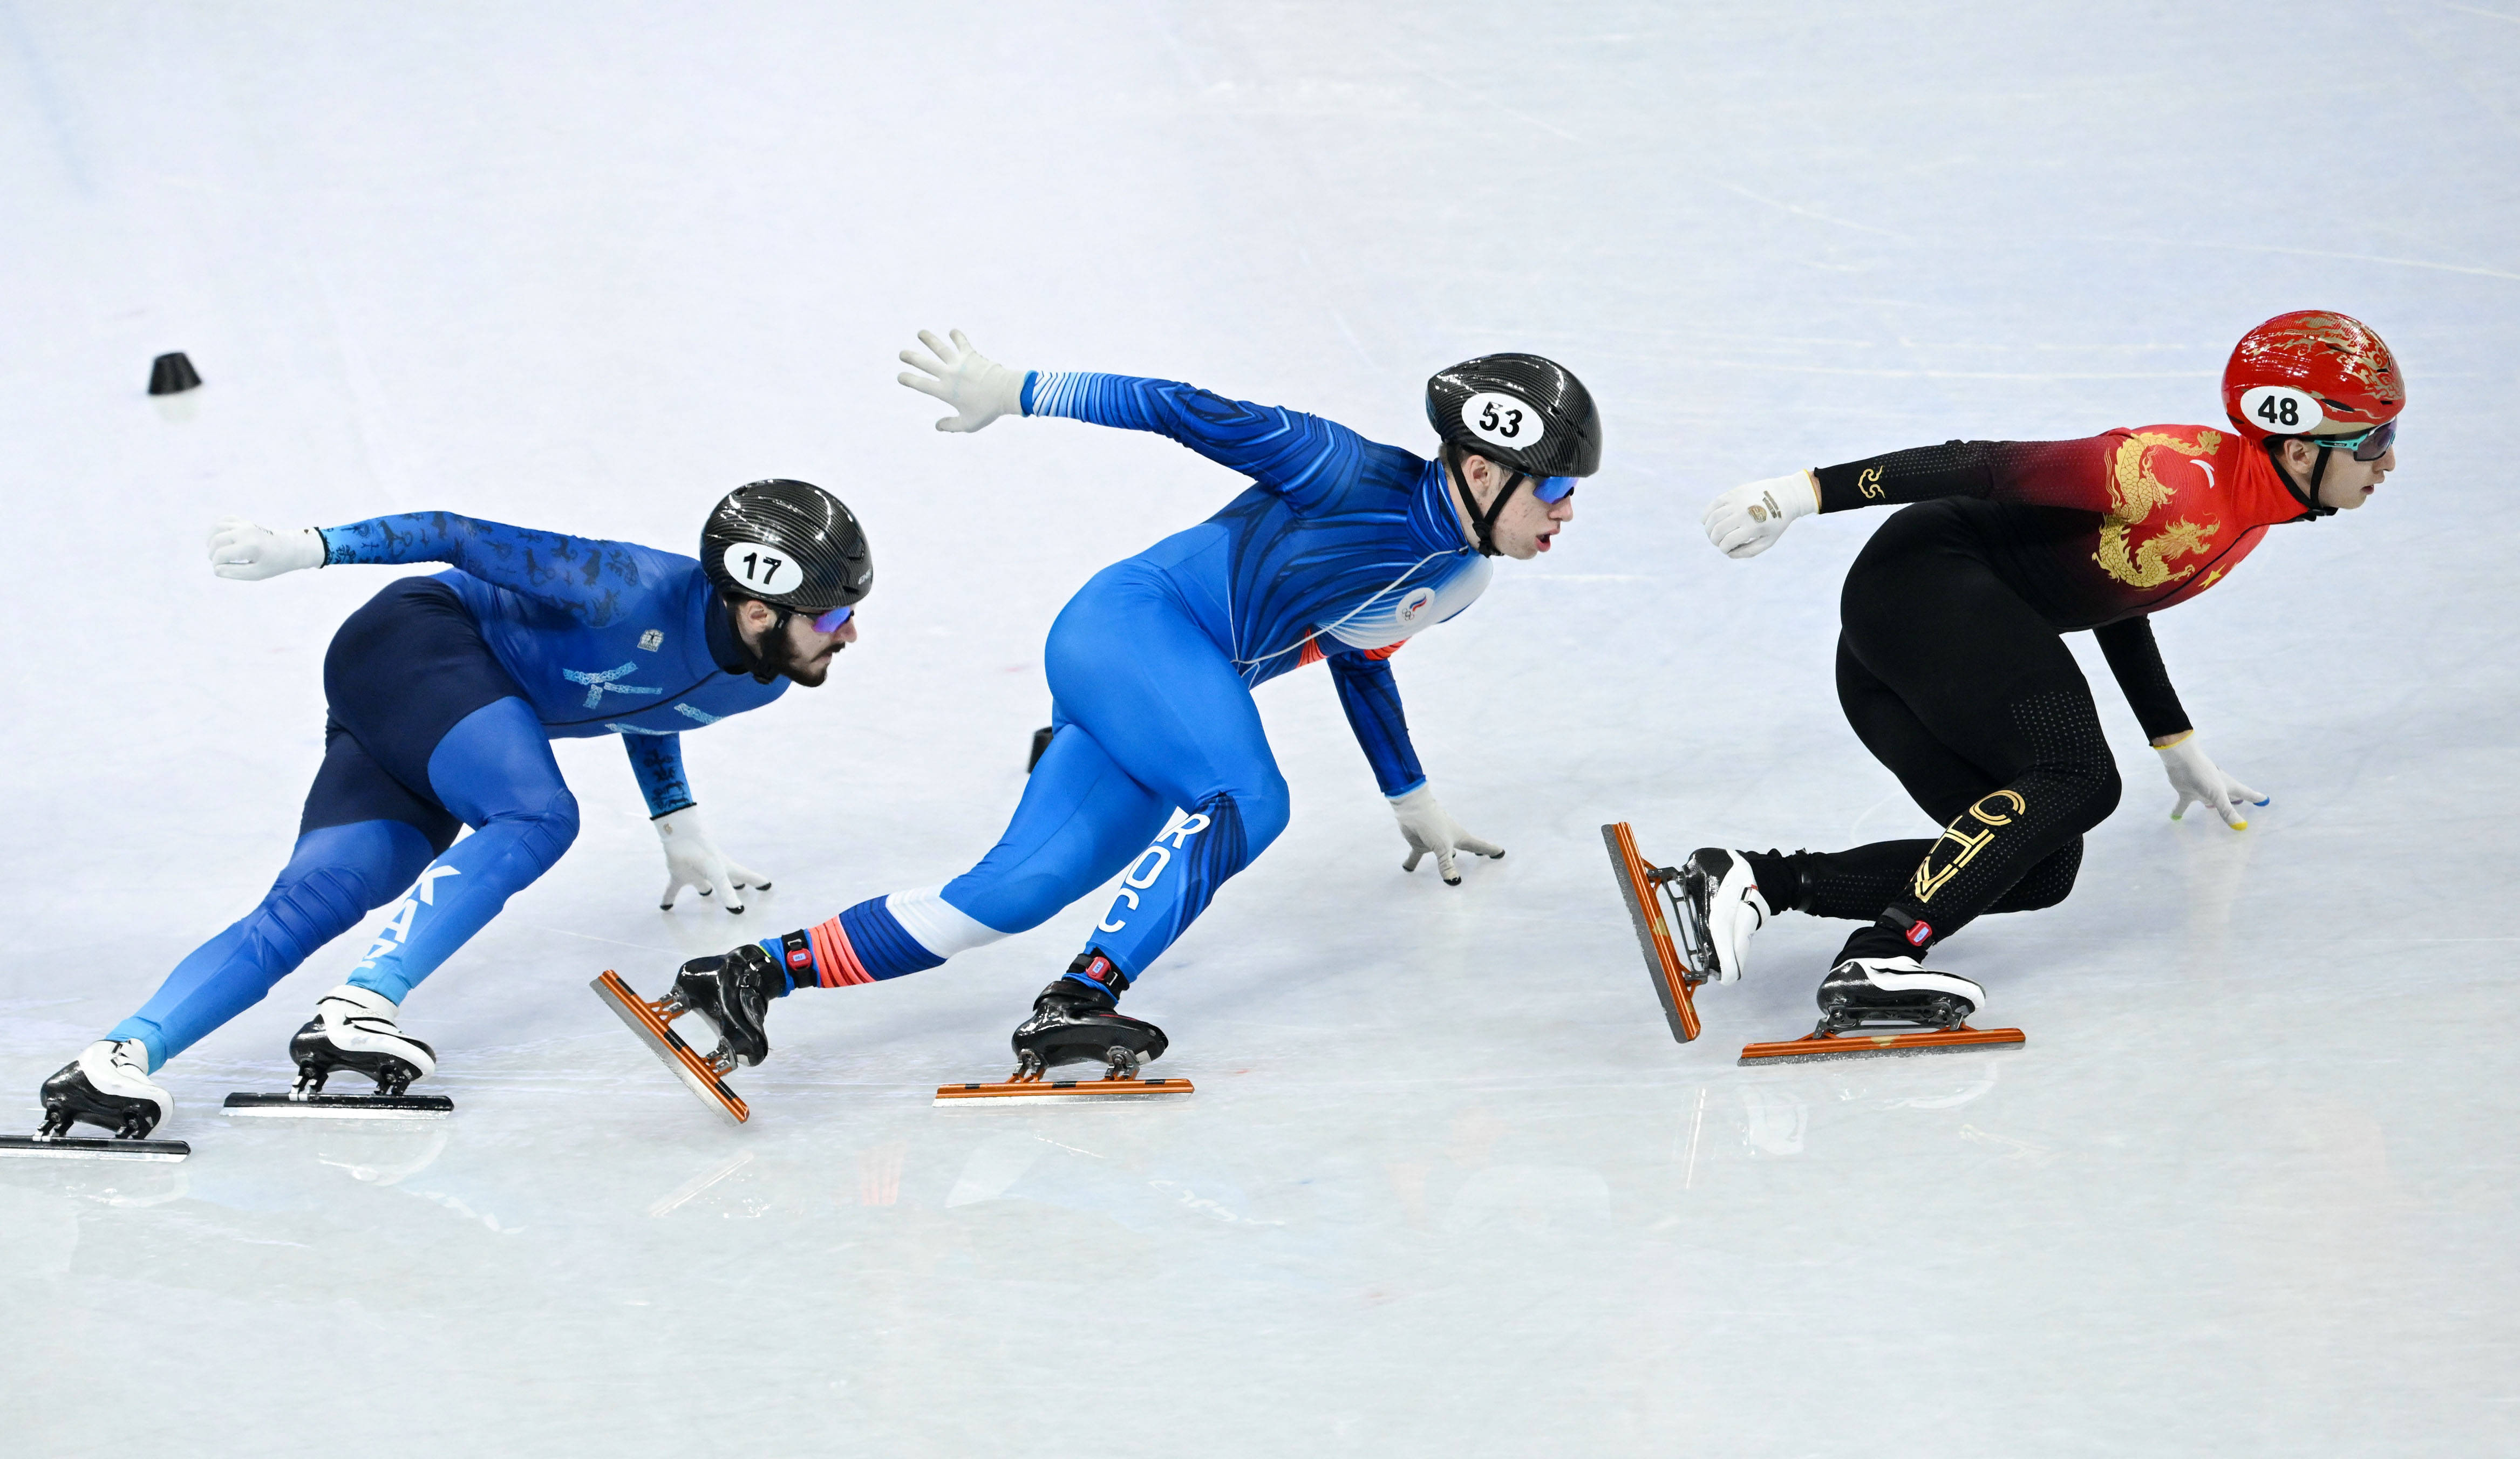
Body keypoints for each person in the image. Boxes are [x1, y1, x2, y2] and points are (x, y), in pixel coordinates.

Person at [648, 329, 1599, 1085]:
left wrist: (1410, 797)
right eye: (1554, 489)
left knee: (1008, 894)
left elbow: (1359, 659)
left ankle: (746, 975)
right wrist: (1014, 388)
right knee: (1249, 800)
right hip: (1137, 628)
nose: (1563, 513)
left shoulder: (1464, 575)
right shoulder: (1336, 469)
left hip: (1169, 690)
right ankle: (1078, 999)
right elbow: (1179, 409)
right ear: (1483, 470)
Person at [26, 481, 870, 1143]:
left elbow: (647, 707)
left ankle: (117, 1058)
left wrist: (677, 823)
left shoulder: (762, 682)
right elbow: (453, 531)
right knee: (538, 817)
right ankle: (361, 1007)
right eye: (834, 615)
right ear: (757, 608)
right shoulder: (625, 584)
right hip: (425, 640)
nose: (849, 635)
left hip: (435, 706)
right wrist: (308, 548)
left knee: (335, 889)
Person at [1676, 310, 2402, 1037]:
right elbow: (1981, 464)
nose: (2387, 462)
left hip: (1898, 648)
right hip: (1920, 591)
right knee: (2078, 776)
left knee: (2039, 864)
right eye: (2375, 440)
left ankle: (1749, 882)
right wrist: (1800, 494)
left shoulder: (2248, 514)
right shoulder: (2172, 474)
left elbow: (2119, 591)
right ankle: (1880, 956)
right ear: (2302, 452)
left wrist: (2172, 740)